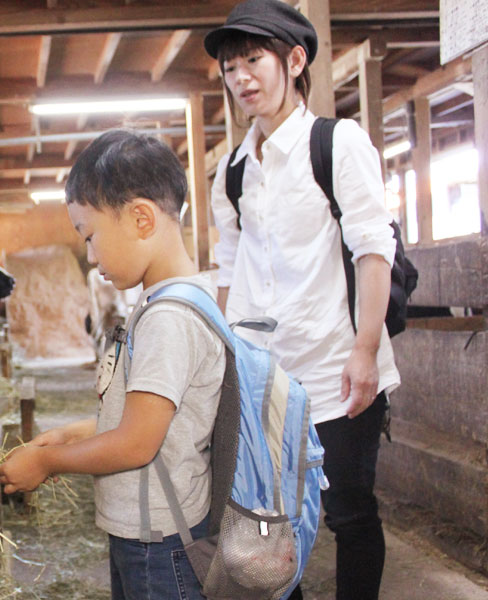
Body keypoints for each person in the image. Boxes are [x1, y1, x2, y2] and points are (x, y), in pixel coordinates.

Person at [203, 1, 400, 599]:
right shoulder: (234, 171)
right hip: (267, 380)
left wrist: (365, 351)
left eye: (253, 60)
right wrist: (225, 361)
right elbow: (229, 269)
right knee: (265, 517)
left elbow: (372, 249)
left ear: (294, 60)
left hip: (336, 370)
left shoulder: (335, 144)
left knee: (349, 514)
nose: (240, 78)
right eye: (229, 67)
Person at [0, 129, 225, 600]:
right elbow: (150, 418)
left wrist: (46, 461)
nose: (92, 256)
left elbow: (137, 443)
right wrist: (74, 434)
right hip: (149, 528)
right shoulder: (161, 304)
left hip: (162, 542)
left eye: (91, 236)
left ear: (141, 218)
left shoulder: (169, 319)